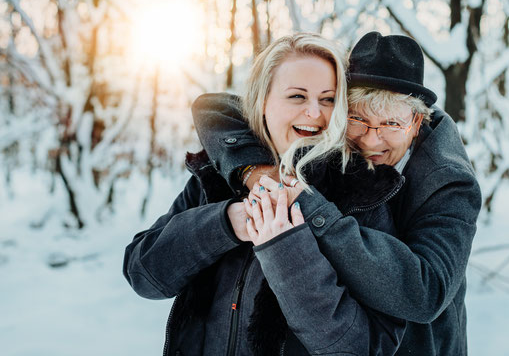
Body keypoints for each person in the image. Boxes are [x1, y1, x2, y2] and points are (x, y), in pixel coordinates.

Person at [192, 31, 482, 356]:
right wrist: (254, 171)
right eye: (358, 119)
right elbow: (217, 109)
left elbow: (425, 292)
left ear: (416, 122)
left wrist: (309, 206)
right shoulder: (333, 148)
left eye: (391, 124)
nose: (373, 141)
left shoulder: (451, 184)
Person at [123, 33, 407, 356]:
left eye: (328, 99)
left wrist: (287, 249)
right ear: (262, 102)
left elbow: (367, 347)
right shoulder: (217, 177)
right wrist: (227, 223)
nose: (314, 112)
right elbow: (142, 272)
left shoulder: (362, 193)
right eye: (297, 97)